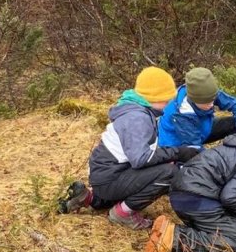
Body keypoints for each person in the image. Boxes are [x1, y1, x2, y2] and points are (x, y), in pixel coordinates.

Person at [58, 67, 196, 229]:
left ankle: (89, 198)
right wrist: (179, 152)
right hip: (108, 179)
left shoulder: (137, 109)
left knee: (165, 164)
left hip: (107, 174)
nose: (169, 104)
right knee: (170, 173)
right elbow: (140, 159)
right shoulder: (137, 118)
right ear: (153, 98)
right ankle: (123, 214)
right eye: (166, 100)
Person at [157, 67, 236, 151]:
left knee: (235, 123)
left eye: (213, 100)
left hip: (202, 129)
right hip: (178, 145)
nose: (211, 104)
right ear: (194, 100)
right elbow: (195, 148)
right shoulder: (180, 114)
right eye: (206, 102)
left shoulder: (207, 91)